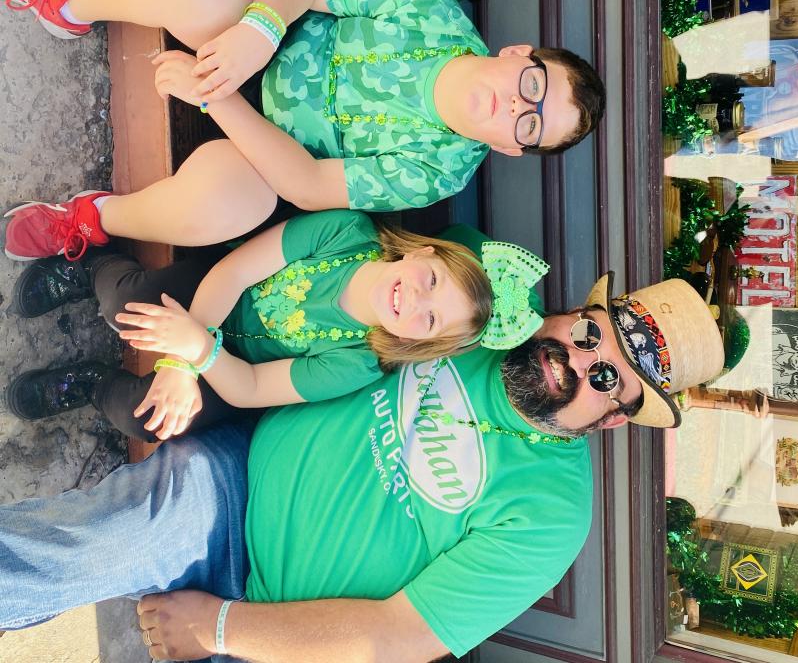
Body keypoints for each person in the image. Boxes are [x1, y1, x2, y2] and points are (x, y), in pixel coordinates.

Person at [0, 240, 725, 663]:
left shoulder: (551, 516)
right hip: (232, 485)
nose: (579, 360)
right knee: (91, 551)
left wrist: (215, 626)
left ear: (614, 420)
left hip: (276, 631)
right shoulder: (476, 313)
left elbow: (395, 637)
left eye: (608, 379)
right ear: (573, 313)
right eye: (591, 333)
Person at [2, 0, 605, 259]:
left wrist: (216, 99)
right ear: (517, 54)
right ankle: (64, 1)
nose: (515, 108)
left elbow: (310, 185)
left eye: (530, 127)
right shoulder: (431, 11)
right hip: (252, 38)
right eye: (533, 87)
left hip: (264, 150)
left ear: (510, 149)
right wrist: (256, 34)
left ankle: (90, 218)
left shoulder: (438, 171)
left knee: (234, 204)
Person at [6, 212, 544, 445]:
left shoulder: (360, 360)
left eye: (430, 320)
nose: (415, 302)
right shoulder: (347, 234)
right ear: (422, 251)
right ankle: (94, 269)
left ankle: (92, 384)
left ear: (422, 342)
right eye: (431, 281)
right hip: (216, 292)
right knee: (127, 304)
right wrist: (177, 361)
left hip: (228, 369)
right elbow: (234, 272)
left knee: (146, 418)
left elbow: (252, 388)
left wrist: (196, 358)